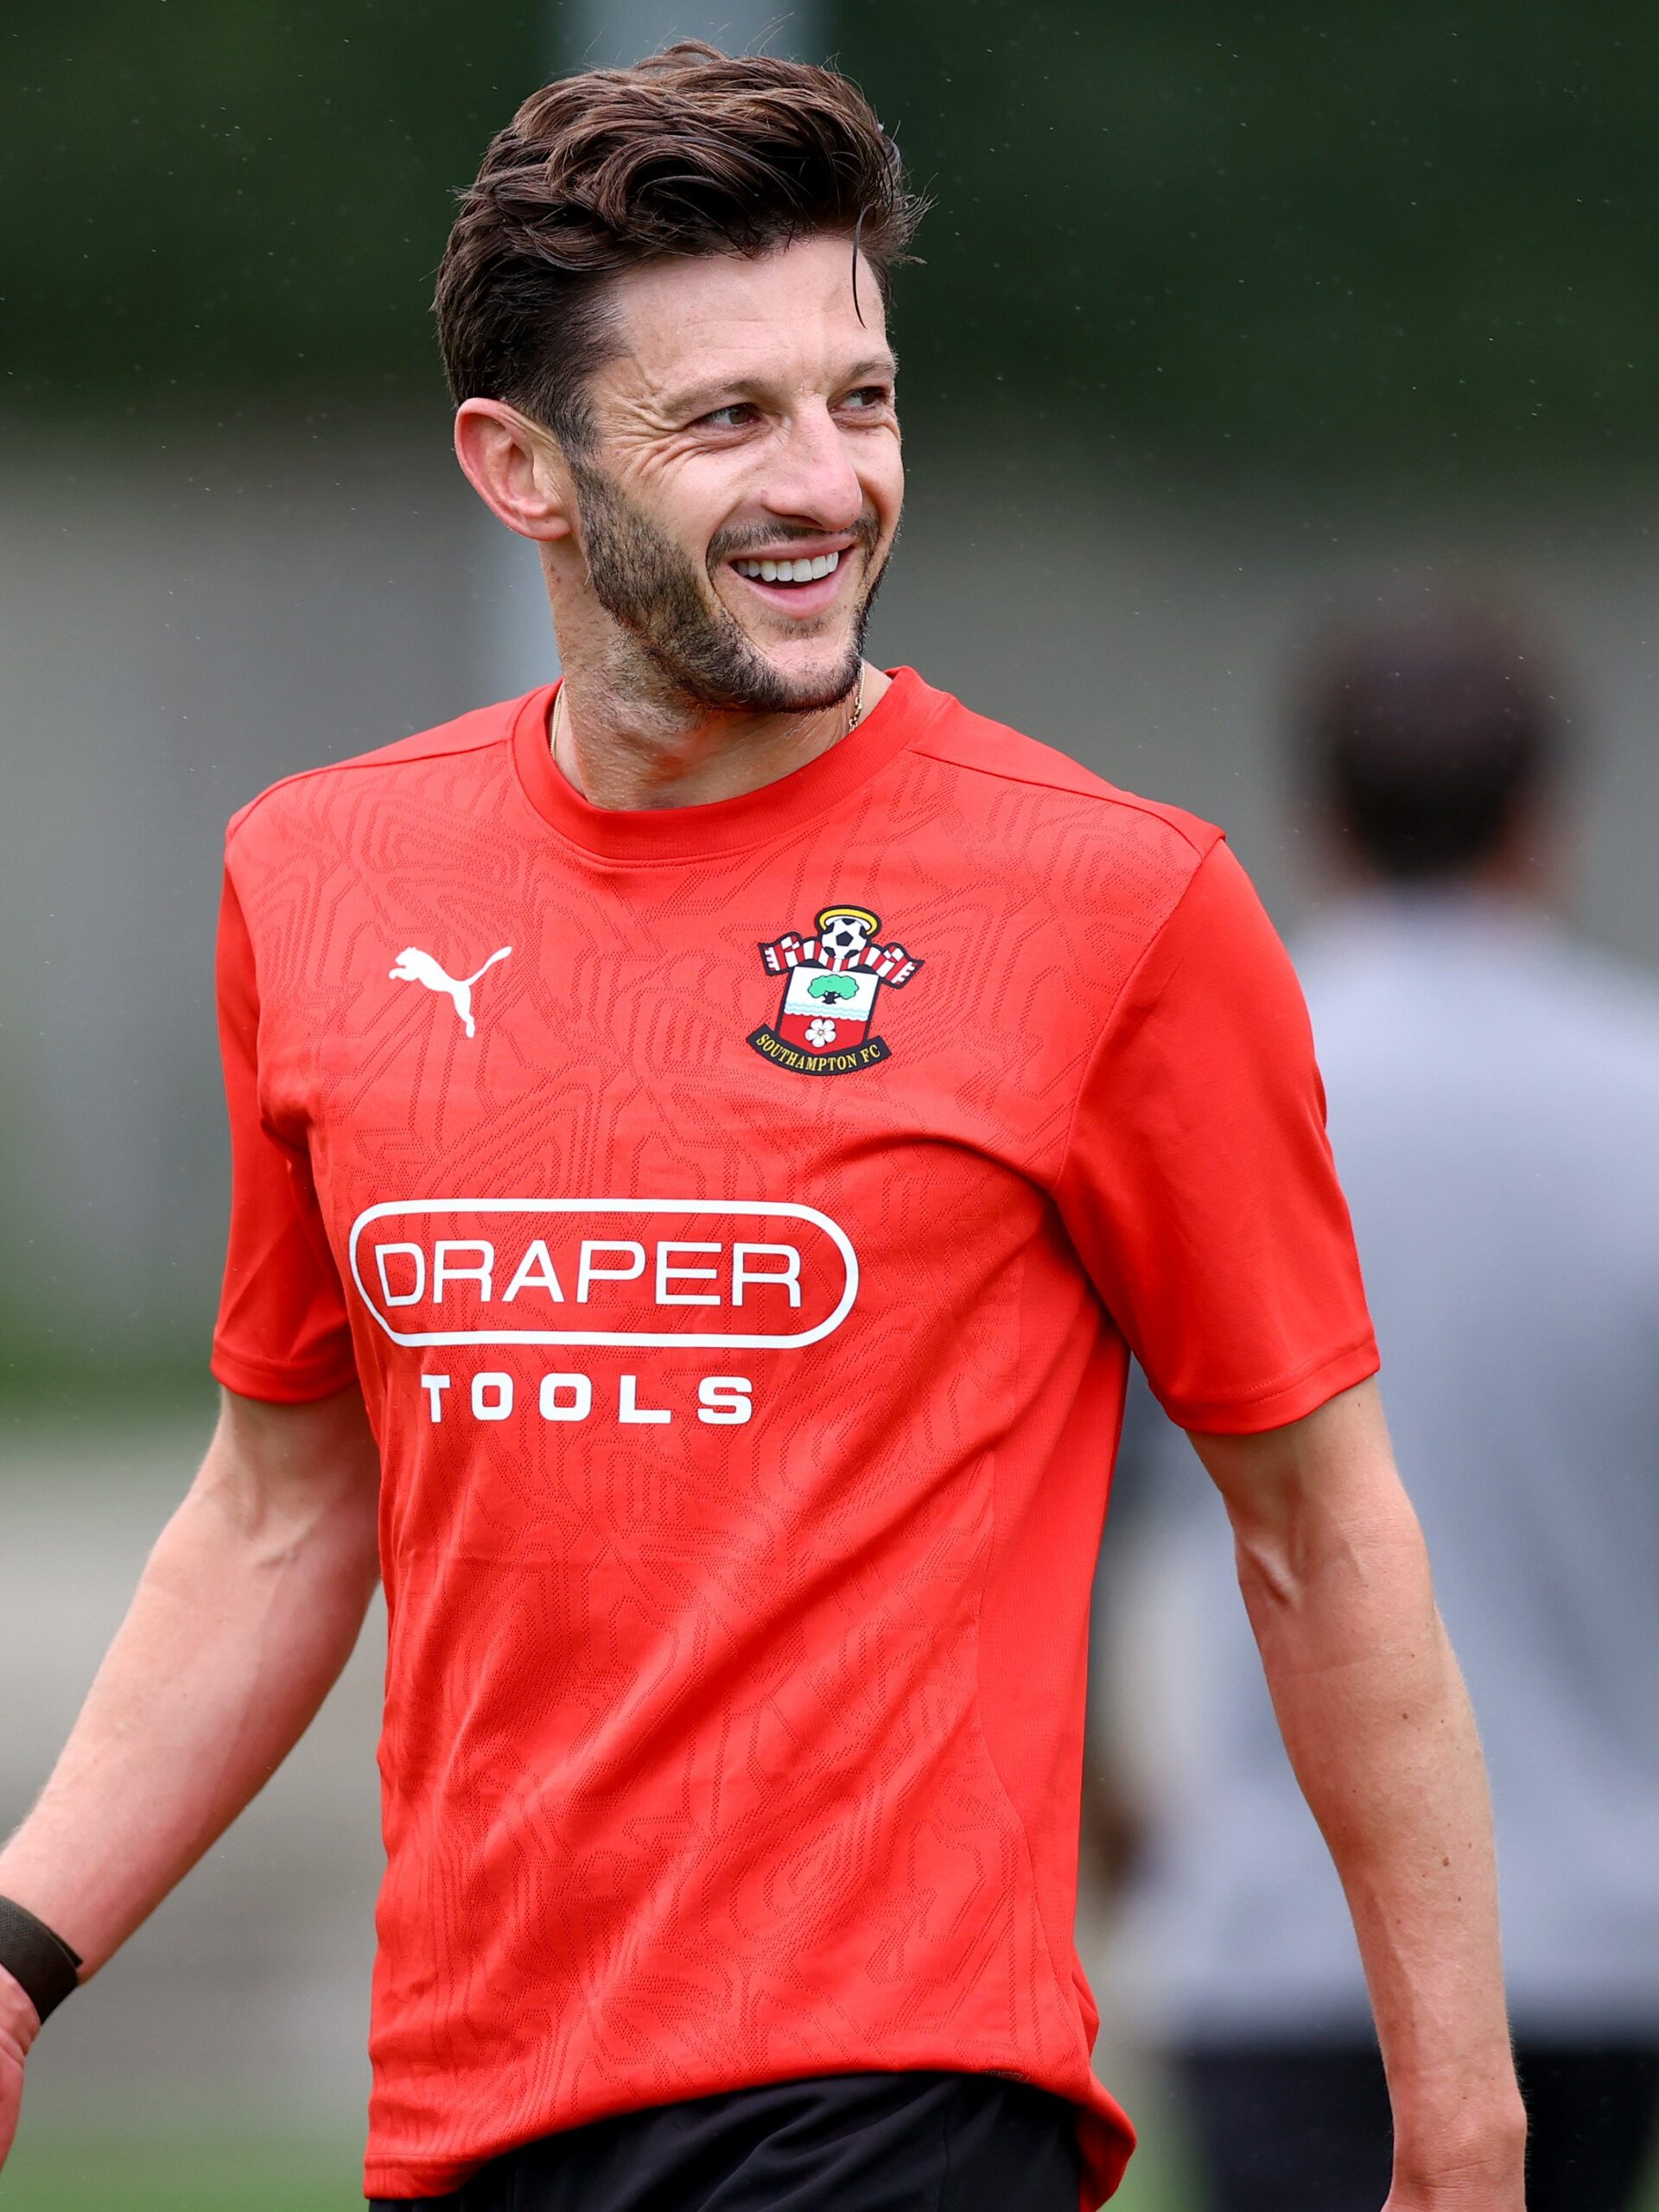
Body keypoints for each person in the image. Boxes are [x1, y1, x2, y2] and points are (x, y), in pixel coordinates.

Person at [0, 48, 1524, 2212]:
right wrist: (21, 1949)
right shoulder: (315, 880)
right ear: (518, 467)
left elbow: (1321, 1528)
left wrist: (1460, 2110)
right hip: (463, 2113)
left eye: (864, 399)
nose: (829, 480)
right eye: (728, 420)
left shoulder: (1120, 903)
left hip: (896, 2100)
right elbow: (276, 1505)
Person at [1106, 610, 1659, 2212]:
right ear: (1545, 822)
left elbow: (1082, 1519)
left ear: (1318, 822)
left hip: (1282, 1925)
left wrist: (1111, 1824)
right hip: (1601, 1931)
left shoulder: (1203, 1089)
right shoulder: (1643, 1101)